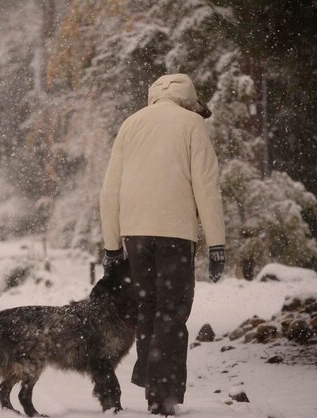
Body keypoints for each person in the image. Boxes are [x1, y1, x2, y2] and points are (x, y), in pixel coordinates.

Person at [99, 73, 226, 416]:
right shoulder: (192, 124)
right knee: (172, 311)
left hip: (136, 234)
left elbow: (110, 189)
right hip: (176, 232)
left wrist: (112, 247)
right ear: (190, 98)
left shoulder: (131, 124)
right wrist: (217, 243)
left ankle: (152, 380)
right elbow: (207, 187)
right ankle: (162, 395)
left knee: (148, 306)